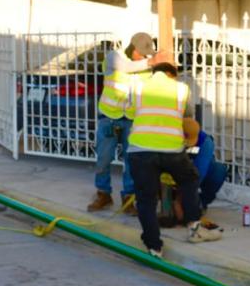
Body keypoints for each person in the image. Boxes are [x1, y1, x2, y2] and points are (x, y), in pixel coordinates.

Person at [125, 50, 222, 259]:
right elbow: (187, 118)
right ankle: (194, 226)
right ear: (172, 73)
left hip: (140, 151)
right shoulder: (181, 89)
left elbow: (131, 113)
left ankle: (154, 247)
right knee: (190, 180)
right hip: (172, 151)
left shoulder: (138, 86)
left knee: (145, 200)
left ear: (154, 72)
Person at [89, 32, 156, 214]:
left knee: (131, 161)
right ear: (132, 48)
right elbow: (126, 67)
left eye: (146, 54)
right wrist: (151, 62)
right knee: (103, 158)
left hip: (132, 120)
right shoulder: (114, 57)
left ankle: (128, 197)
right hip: (109, 117)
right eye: (141, 53)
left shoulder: (145, 67)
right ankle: (103, 193)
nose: (144, 57)